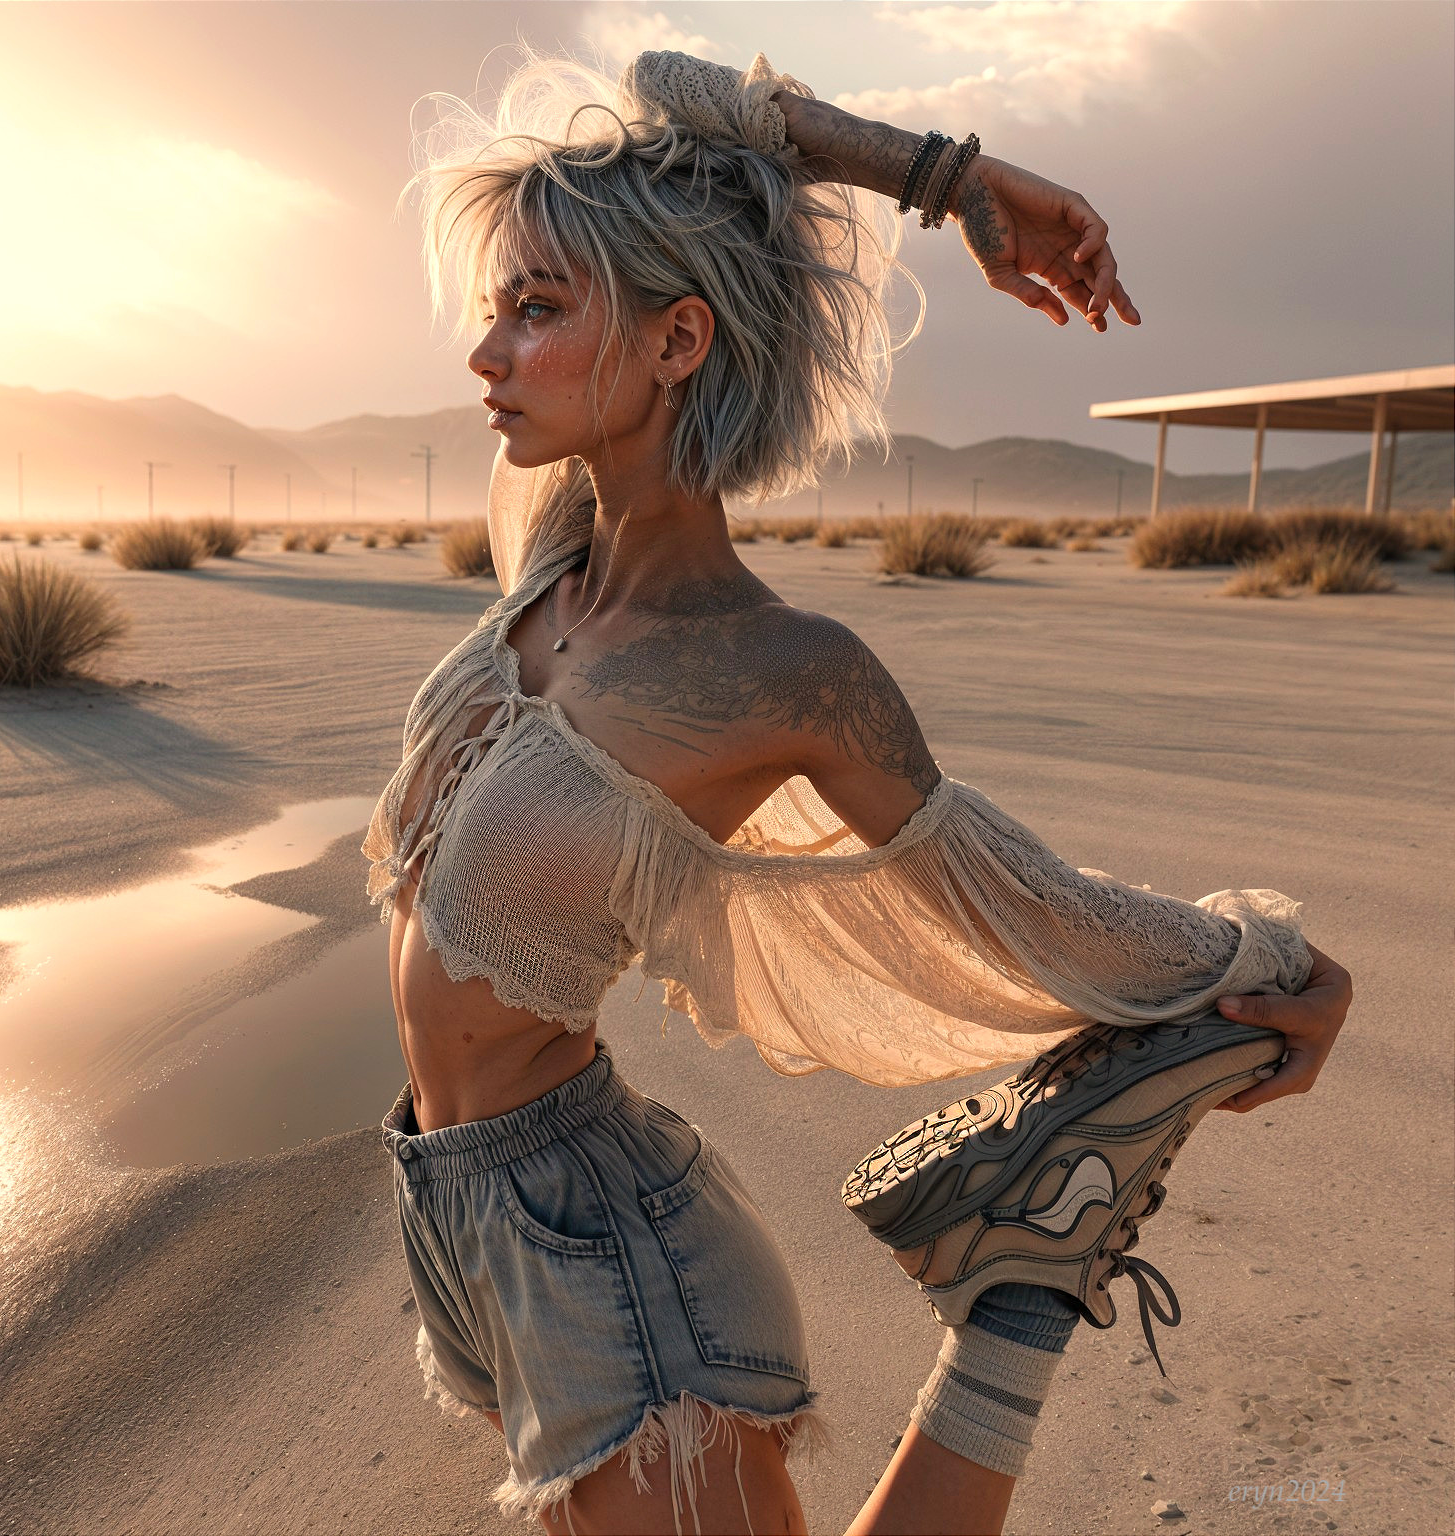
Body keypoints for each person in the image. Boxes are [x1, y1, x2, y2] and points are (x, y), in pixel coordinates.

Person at [362, 46, 1352, 1535]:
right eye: (495, 310)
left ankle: (1013, 1315)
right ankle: (1020, 1279)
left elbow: (1022, 900)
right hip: (461, 1209)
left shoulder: (781, 670)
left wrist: (1275, 966)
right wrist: (957, 186)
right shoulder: (553, 555)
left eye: (538, 308)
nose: (487, 354)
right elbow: (681, 94)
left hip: (604, 1245)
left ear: (678, 341)